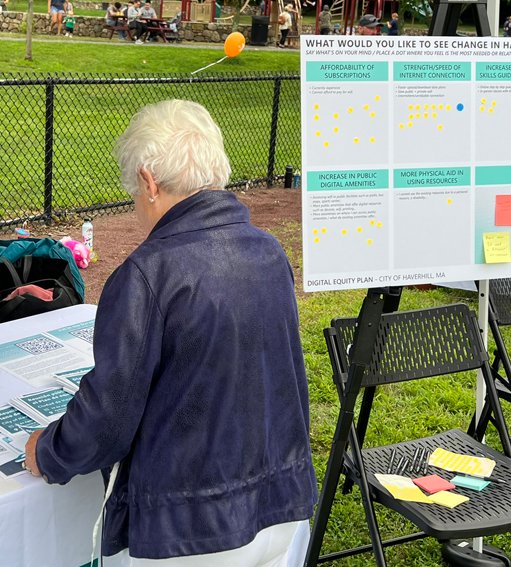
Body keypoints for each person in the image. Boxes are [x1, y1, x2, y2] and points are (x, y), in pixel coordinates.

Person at [24, 99, 317, 565]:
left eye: (133, 193)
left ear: (148, 181)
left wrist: (50, 451)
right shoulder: (269, 251)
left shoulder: (147, 273)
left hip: (187, 530)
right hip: (279, 504)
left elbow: (108, 418)